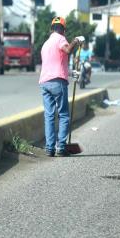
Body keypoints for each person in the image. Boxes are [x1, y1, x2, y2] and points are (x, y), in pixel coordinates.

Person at [39, 16, 84, 157]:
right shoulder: (60, 38)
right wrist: (76, 41)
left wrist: (71, 73)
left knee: (49, 116)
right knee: (64, 115)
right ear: (63, 30)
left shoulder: (45, 44)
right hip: (58, 82)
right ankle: (61, 147)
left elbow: (54, 64)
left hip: (45, 83)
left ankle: (50, 148)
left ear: (51, 28)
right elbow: (67, 50)